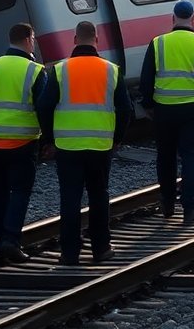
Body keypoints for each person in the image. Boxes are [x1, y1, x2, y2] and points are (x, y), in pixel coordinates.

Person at [36, 21, 133, 265]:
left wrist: (49, 139)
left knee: (70, 198)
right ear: (97, 39)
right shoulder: (111, 70)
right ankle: (101, 248)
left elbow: (44, 106)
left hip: (67, 146)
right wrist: (117, 139)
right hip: (100, 145)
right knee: (99, 195)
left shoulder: (60, 70)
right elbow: (125, 109)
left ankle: (69, 253)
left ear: (74, 39)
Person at [0, 22, 48, 263]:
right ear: (28, 39)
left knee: (0, 189)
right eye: (33, 39)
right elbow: (44, 108)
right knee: (20, 190)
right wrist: (49, 139)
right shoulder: (34, 70)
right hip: (23, 141)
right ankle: (11, 240)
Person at [141, 0, 194, 223]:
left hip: (164, 109)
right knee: (190, 156)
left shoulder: (158, 43)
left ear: (172, 18)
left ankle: (167, 204)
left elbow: (146, 78)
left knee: (165, 157)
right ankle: (190, 209)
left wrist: (148, 105)